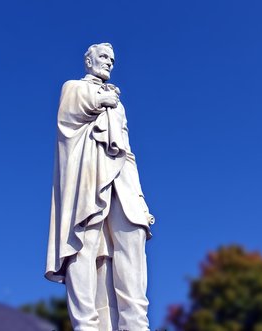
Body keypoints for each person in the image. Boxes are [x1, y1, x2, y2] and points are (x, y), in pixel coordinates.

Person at [45, 42, 154, 331]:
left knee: (133, 240)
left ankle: (135, 324)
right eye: (103, 57)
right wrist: (99, 101)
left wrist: (140, 197)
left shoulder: (118, 102)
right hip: (87, 176)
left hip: (123, 176)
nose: (109, 63)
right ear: (88, 60)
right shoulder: (74, 87)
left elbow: (128, 148)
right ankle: (87, 325)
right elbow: (67, 118)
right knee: (84, 244)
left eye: (112, 59)